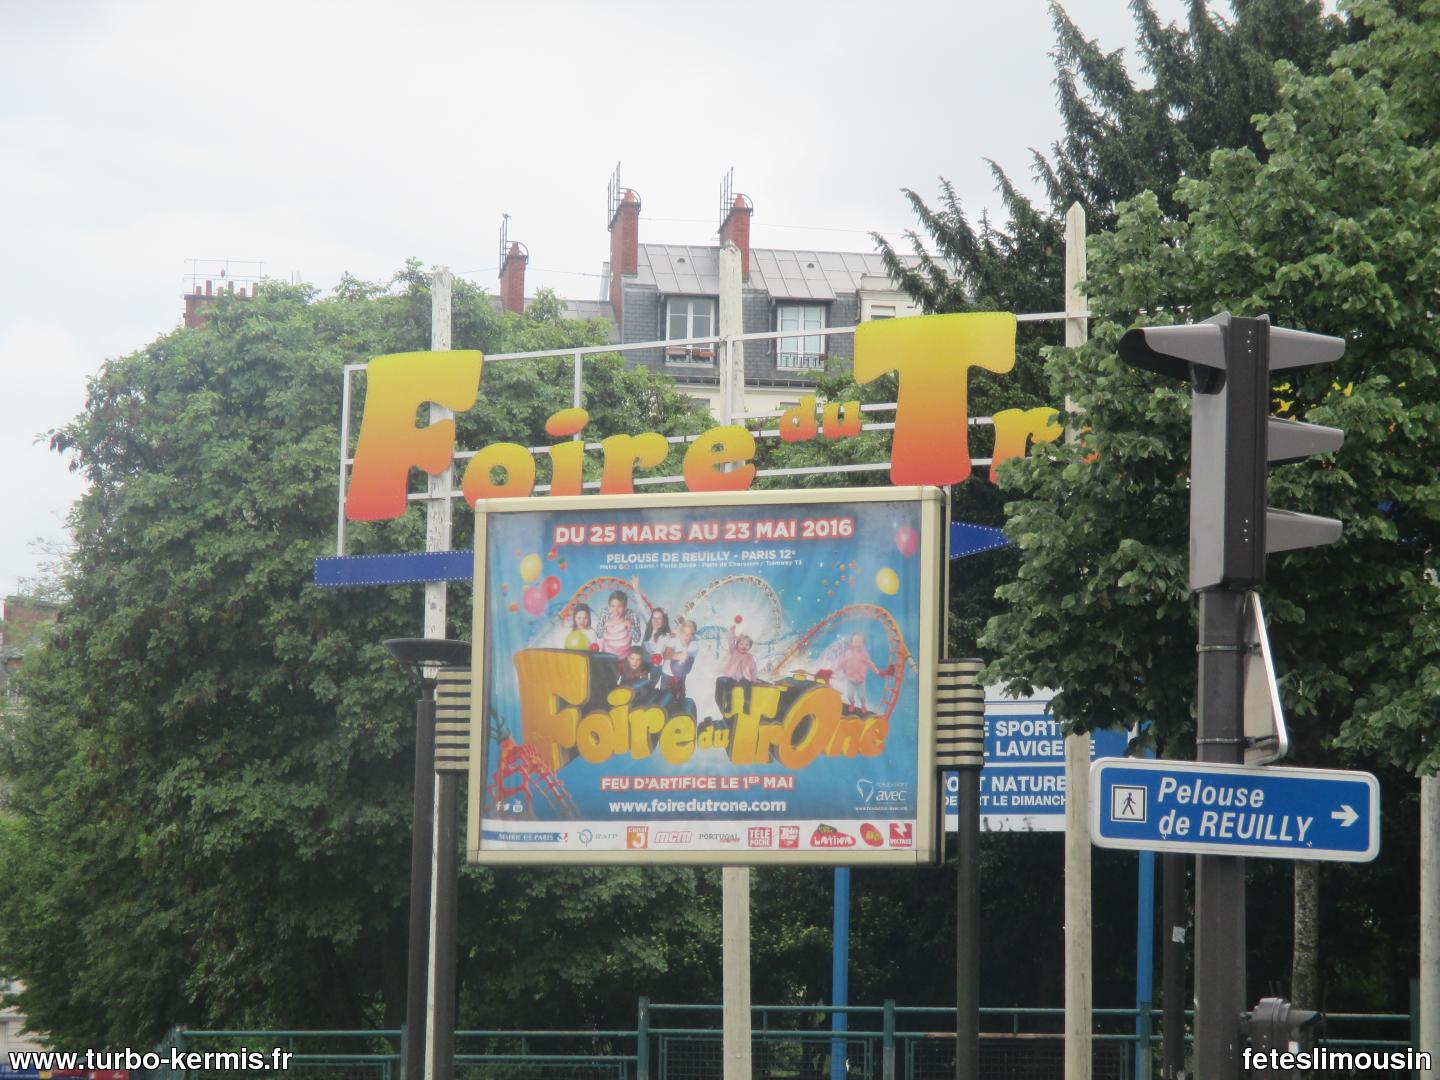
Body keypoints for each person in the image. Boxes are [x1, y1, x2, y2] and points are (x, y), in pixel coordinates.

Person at [714, 618, 758, 717]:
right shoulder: (734, 651)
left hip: (744, 678)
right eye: (741, 644)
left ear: (750, 647)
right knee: (729, 688)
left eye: (747, 645)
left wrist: (753, 679)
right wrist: (732, 632)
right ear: (737, 645)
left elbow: (754, 669)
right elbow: (731, 642)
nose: (744, 646)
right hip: (732, 677)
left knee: (747, 687)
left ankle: (746, 704)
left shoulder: (750, 657)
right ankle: (729, 704)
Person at [600, 589, 637, 657]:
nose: (616, 610)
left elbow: (637, 639)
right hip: (607, 656)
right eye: (613, 606)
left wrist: (631, 626)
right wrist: (604, 626)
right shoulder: (606, 618)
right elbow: (599, 635)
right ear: (609, 607)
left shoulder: (630, 618)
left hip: (624, 657)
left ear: (625, 607)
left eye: (619, 606)